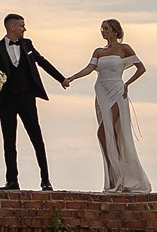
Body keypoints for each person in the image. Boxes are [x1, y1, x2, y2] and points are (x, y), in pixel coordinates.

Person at [60, 19, 152, 194]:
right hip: (101, 91)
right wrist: (71, 78)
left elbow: (141, 68)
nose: (103, 31)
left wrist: (127, 84)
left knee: (107, 131)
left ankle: (121, 176)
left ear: (115, 31)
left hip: (117, 90)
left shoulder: (124, 48)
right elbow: (89, 68)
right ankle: (113, 176)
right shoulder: (99, 51)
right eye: (102, 29)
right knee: (107, 134)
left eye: (106, 28)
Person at [0, 14, 66, 191]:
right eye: (22, 26)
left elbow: (42, 62)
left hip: (26, 98)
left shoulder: (27, 44)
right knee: (9, 141)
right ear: (11, 27)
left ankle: (45, 180)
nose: (24, 29)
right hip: (6, 100)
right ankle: (12, 181)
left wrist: (61, 79)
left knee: (36, 138)